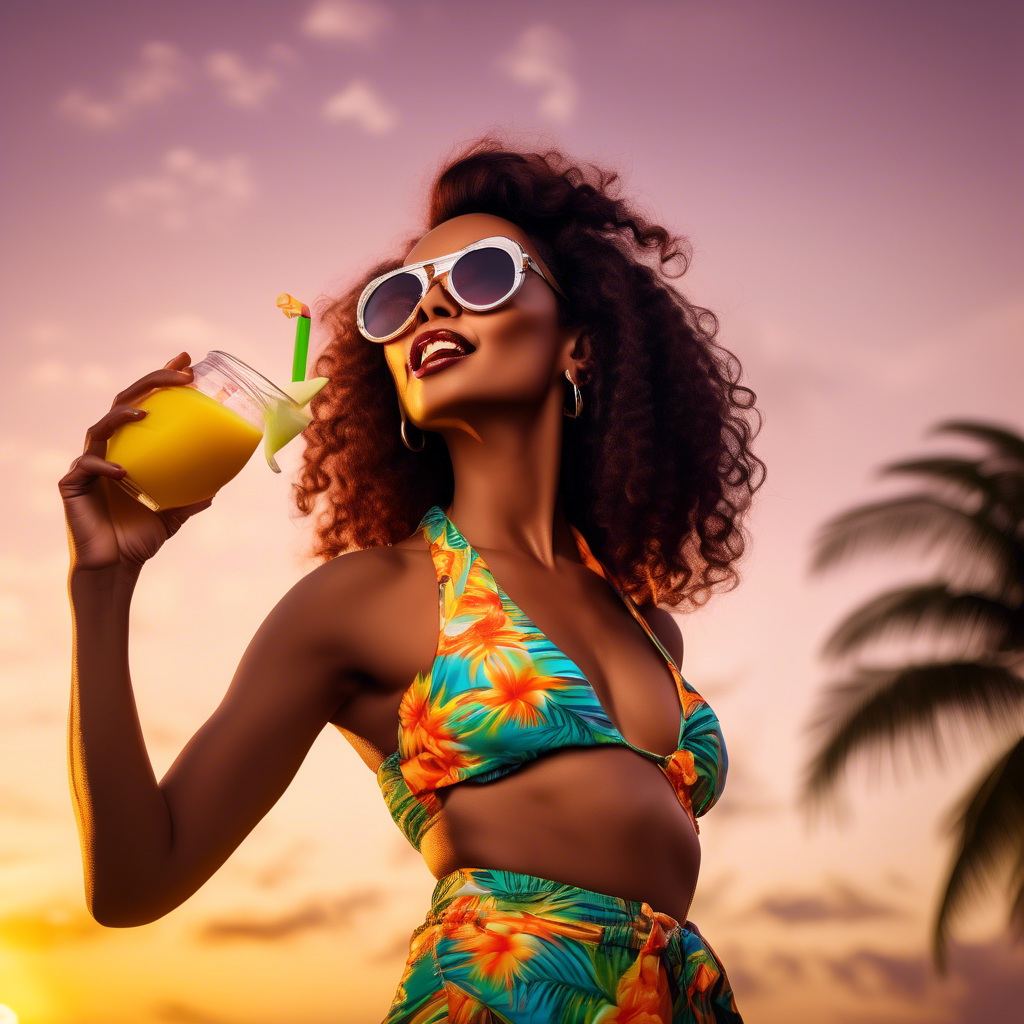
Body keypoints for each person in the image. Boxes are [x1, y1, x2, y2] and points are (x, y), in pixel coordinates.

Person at [61, 136, 764, 1022]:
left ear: (577, 348)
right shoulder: (367, 600)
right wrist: (103, 585)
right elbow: (134, 881)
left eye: (481, 276)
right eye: (398, 298)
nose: (430, 303)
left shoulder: (649, 628)